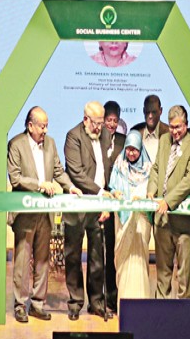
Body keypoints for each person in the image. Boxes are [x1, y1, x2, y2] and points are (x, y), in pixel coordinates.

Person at [7, 107, 80, 323]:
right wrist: (40, 184)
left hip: (45, 212)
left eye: (47, 126)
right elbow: (15, 178)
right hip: (25, 212)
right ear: (30, 126)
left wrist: (70, 187)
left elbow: (58, 170)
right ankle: (20, 304)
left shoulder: (51, 143)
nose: (45, 130)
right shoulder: (16, 144)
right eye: (42, 126)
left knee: (42, 260)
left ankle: (38, 304)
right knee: (22, 261)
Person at [63, 101, 115, 319]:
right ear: (85, 119)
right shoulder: (73, 136)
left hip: (98, 205)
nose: (99, 127)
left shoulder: (105, 135)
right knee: (73, 255)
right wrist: (100, 192)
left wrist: (107, 198)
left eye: (102, 123)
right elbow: (76, 173)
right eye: (96, 123)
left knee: (97, 257)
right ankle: (75, 302)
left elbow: (108, 168)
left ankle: (96, 302)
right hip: (78, 205)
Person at [146, 105, 190, 299]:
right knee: (163, 273)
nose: (174, 131)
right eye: (171, 127)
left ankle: (185, 312)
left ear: (186, 125)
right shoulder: (164, 140)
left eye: (178, 127)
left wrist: (168, 201)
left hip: (184, 223)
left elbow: (189, 181)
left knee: (184, 276)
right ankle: (162, 309)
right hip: (162, 221)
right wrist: (151, 190)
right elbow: (156, 168)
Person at [109, 130, 153, 301]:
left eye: (135, 149)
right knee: (124, 259)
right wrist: (115, 193)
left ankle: (141, 304)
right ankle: (124, 303)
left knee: (139, 258)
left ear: (141, 149)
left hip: (141, 221)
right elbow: (112, 187)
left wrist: (141, 199)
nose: (131, 153)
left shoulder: (148, 169)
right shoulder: (119, 165)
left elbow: (152, 191)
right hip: (123, 220)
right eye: (128, 149)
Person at [101, 100, 126, 308]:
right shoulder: (94, 139)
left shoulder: (124, 141)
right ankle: (100, 297)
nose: (111, 124)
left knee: (114, 250)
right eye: (108, 120)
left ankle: (114, 294)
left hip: (116, 204)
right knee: (99, 252)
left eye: (115, 120)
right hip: (97, 201)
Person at [132, 94, 170, 162]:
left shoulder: (169, 132)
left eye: (154, 112)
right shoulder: (135, 132)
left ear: (160, 111)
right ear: (143, 111)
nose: (150, 116)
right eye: (147, 112)